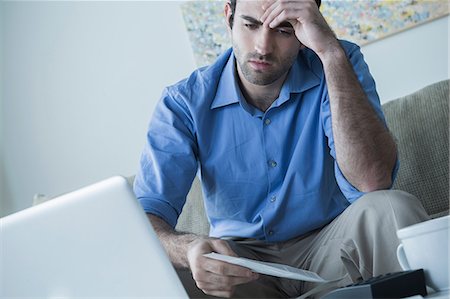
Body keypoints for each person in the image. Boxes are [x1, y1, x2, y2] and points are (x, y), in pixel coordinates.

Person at [134, 0, 429, 297]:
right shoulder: (183, 102)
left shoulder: (338, 60)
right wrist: (187, 251)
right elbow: (145, 218)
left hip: (333, 247)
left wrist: (330, 53)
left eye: (284, 30)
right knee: (154, 270)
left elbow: (372, 181)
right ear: (229, 17)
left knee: (392, 208)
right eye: (250, 25)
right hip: (240, 269)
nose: (263, 47)